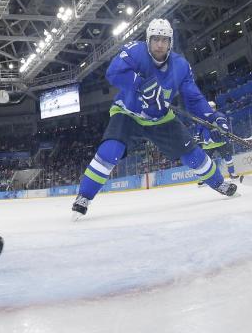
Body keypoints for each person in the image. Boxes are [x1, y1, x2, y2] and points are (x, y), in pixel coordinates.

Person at [72, 19, 237, 220]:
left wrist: (213, 117)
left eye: (164, 40)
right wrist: (140, 83)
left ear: (171, 42)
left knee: (192, 155)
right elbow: (113, 72)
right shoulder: (134, 51)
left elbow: (193, 98)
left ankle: (218, 182)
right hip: (128, 112)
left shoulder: (181, 66)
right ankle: (84, 196)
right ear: (148, 40)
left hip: (160, 118)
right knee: (110, 150)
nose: (160, 44)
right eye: (156, 39)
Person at [195, 101, 236, 187]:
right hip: (207, 143)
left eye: (212, 107)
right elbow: (199, 128)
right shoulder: (202, 117)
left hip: (220, 142)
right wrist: (197, 136)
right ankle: (203, 178)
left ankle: (232, 173)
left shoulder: (218, 115)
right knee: (204, 162)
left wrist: (224, 132)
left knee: (228, 157)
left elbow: (224, 126)